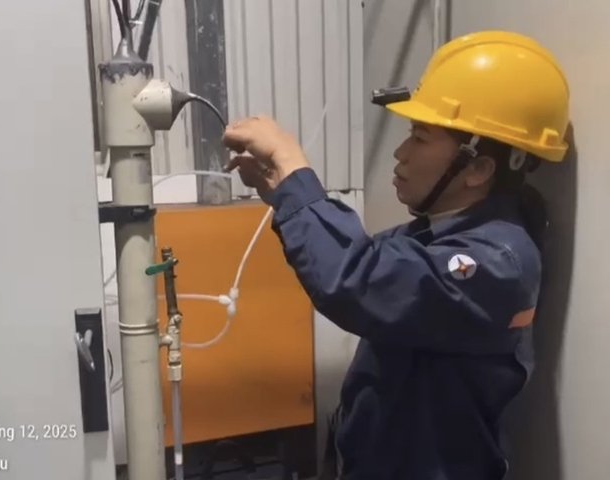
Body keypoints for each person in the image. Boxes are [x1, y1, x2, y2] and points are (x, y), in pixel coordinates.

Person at [222, 31, 569, 480]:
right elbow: (364, 264)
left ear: (477, 168)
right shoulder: (437, 233)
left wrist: (291, 167)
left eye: (420, 138)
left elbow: (355, 280)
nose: (400, 154)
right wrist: (282, 191)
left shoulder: (499, 263)